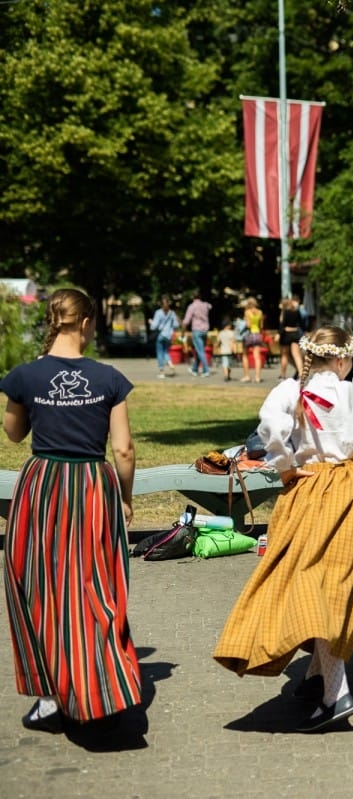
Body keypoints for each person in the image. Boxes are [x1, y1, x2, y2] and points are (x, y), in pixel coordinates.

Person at [213, 326, 353, 733]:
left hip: (315, 488)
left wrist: (287, 468)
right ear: (343, 359)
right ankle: (318, 678)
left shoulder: (292, 390)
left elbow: (270, 430)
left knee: (306, 581)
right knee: (336, 585)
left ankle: (335, 692)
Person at [1, 288, 140, 733]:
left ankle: (48, 697)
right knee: (95, 586)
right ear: (84, 323)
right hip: (90, 486)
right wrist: (125, 497)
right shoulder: (109, 378)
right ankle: (103, 688)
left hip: (42, 487)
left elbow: (14, 435)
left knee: (38, 587)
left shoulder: (24, 375)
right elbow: (124, 450)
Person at [182, 291, 213, 377]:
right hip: (205, 330)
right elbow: (210, 306)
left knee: (200, 351)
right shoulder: (205, 305)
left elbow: (186, 321)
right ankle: (194, 369)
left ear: (193, 298)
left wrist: (183, 332)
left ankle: (206, 370)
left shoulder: (192, 306)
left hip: (197, 330)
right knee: (199, 351)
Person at [150, 295, 180, 378]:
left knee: (160, 353)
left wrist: (150, 322)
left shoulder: (158, 312)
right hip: (168, 336)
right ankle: (170, 363)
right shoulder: (172, 313)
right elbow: (176, 325)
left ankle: (161, 371)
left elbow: (154, 326)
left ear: (161, 304)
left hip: (161, 335)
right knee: (166, 352)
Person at [278, 294, 304, 380]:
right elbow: (301, 323)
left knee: (284, 355)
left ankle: (283, 375)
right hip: (295, 333)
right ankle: (301, 373)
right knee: (296, 355)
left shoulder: (284, 312)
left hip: (286, 334)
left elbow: (282, 324)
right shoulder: (297, 312)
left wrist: (279, 334)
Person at [241, 298, 264, 383]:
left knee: (244, 355)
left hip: (249, 334)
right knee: (257, 357)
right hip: (257, 334)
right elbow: (261, 326)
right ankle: (257, 377)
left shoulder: (247, 312)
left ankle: (247, 376)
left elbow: (248, 325)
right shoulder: (260, 312)